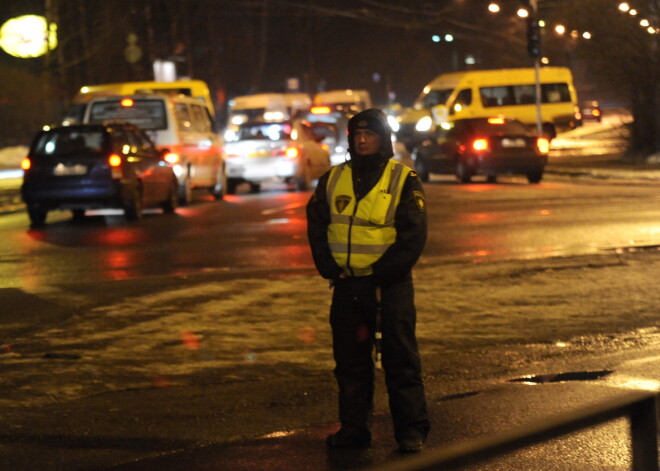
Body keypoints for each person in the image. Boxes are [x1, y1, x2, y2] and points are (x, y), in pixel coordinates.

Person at [306, 108, 430, 453]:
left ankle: (411, 432)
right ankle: (354, 429)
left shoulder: (403, 179)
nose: (362, 140)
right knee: (350, 364)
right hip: (348, 287)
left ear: (383, 139)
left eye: (370, 134)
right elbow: (317, 225)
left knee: (400, 361)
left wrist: (381, 275)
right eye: (356, 134)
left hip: (390, 287)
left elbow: (412, 237)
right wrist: (330, 269)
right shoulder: (332, 179)